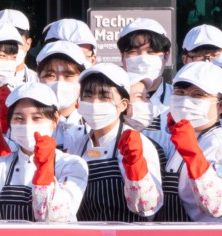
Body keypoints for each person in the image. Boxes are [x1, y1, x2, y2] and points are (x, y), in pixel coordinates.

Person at [63, 64, 162, 222]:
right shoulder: (78, 146)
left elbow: (149, 208)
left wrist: (135, 167)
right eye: (88, 95)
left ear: (123, 105)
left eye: (104, 97)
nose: (94, 103)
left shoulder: (139, 144)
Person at [154, 61, 222, 222]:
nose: (185, 100)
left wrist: (193, 156)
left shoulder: (221, 145)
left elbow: (221, 207)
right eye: (180, 93)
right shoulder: (181, 140)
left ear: (221, 106)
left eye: (197, 95)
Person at [0, 81, 88, 221]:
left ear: (55, 120)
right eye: (19, 118)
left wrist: (45, 170)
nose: (27, 125)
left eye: (37, 118)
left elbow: (57, 218)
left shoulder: (71, 165)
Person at [116, 17, 172, 129]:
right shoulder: (110, 98)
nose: (143, 59)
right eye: (133, 52)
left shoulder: (178, 98)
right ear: (122, 56)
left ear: (166, 55)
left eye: (151, 52)